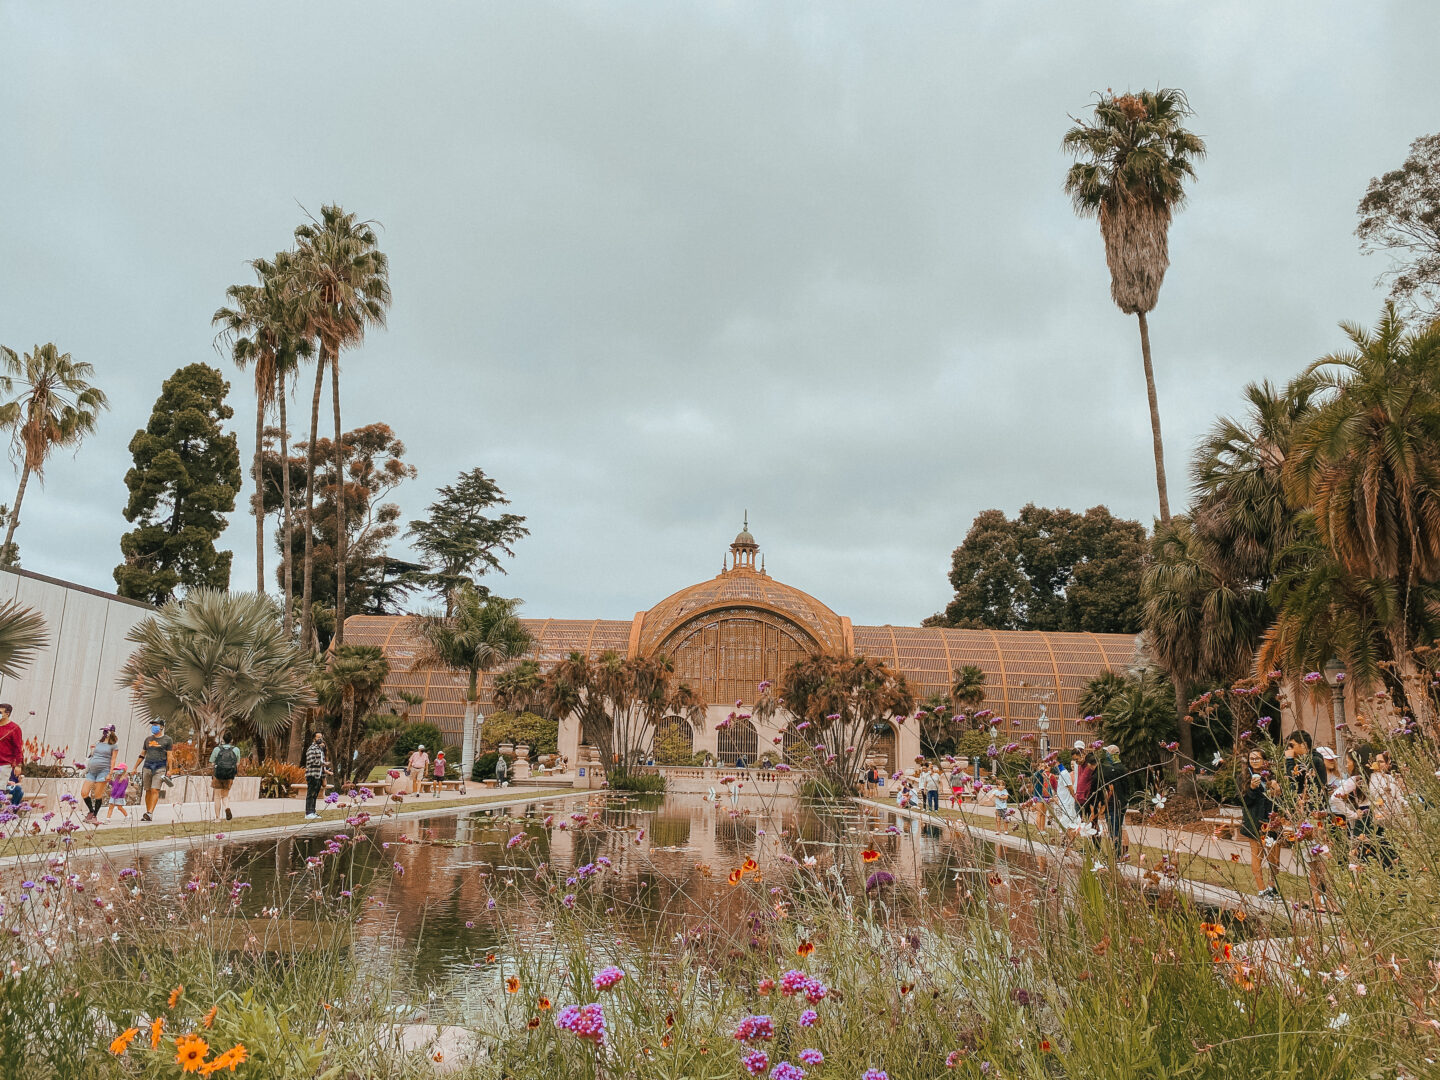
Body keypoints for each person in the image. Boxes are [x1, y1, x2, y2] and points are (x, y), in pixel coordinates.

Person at [1240, 749, 1283, 897]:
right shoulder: (1244, 777)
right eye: (1251, 758)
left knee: (1274, 854)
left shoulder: (1272, 776)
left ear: (1265, 760)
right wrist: (1252, 788)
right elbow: (1244, 801)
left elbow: (1280, 801)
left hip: (1272, 820)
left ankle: (1272, 885)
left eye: (1257, 758)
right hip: (1255, 820)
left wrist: (1278, 791)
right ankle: (1261, 889)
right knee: (1257, 854)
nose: (1254, 761)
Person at [134, 720, 173, 822]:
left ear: (162, 727)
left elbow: (169, 756)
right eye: (152, 725)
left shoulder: (167, 740)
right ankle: (148, 813)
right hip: (147, 766)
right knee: (147, 790)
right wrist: (135, 767)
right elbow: (142, 754)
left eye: (156, 725)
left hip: (160, 767)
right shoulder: (148, 739)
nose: (153, 727)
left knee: (155, 790)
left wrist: (170, 770)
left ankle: (150, 812)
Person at [81, 725, 120, 824]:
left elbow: (113, 760)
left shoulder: (114, 746)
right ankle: (91, 810)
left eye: (107, 731)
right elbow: (92, 754)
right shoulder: (98, 743)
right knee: (84, 792)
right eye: (104, 731)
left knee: (98, 794)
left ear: (112, 732)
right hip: (92, 771)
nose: (104, 733)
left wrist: (110, 773)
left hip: (103, 771)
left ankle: (94, 816)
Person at [1098, 745, 1129, 857]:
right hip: (1121, 803)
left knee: (1114, 828)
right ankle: (1117, 852)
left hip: (1114, 803)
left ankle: (1116, 853)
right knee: (1117, 828)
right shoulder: (1123, 768)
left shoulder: (1114, 770)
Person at [210, 731, 240, 821]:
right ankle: (226, 807)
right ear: (232, 740)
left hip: (218, 775)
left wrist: (216, 765)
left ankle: (218, 818)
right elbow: (237, 763)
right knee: (225, 795)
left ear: (223, 739)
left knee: (217, 796)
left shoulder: (217, 749)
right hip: (229, 776)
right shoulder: (236, 750)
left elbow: (212, 763)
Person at [0, 704, 23, 810]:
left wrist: (18, 764)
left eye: (0, 712)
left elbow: (18, 747)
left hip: (4, 764)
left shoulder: (14, 728)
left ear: (7, 714)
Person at [304, 731, 330, 819]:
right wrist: (323, 763)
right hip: (312, 775)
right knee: (310, 794)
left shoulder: (320, 749)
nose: (320, 739)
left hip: (318, 775)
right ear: (314, 738)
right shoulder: (312, 748)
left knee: (315, 795)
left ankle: (313, 812)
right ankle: (308, 813)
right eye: (318, 737)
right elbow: (311, 760)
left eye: (321, 737)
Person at [1054, 756, 1082, 834]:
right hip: (1063, 800)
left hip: (1067, 801)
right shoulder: (1061, 772)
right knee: (1065, 818)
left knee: (1067, 819)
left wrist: (1074, 798)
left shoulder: (1064, 773)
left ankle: (1066, 835)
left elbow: (1069, 787)